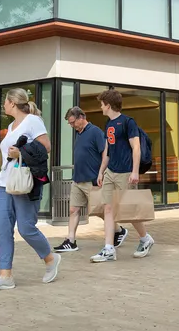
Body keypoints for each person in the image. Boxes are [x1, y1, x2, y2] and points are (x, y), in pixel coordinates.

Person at [0, 88, 60, 291]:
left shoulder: (32, 121)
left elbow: (46, 147)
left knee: (26, 228)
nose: (3, 106)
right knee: (3, 229)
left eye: (5, 102)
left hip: (24, 183)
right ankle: (5, 275)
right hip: (5, 182)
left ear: (12, 103)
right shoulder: (11, 126)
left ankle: (51, 259)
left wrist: (20, 152)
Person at [90, 90, 154, 263]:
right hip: (111, 171)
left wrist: (134, 171)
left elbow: (136, 148)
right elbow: (108, 151)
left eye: (102, 104)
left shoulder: (128, 122)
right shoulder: (108, 124)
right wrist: (101, 171)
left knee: (128, 209)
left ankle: (145, 238)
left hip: (125, 172)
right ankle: (109, 248)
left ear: (108, 105)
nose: (101, 107)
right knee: (108, 208)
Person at [54, 107, 126, 253]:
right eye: (70, 123)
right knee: (73, 209)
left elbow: (106, 152)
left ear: (81, 117)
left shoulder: (95, 132)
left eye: (73, 122)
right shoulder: (78, 134)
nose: (72, 125)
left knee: (100, 210)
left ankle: (119, 230)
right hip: (78, 179)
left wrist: (101, 173)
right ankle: (71, 241)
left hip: (92, 180)